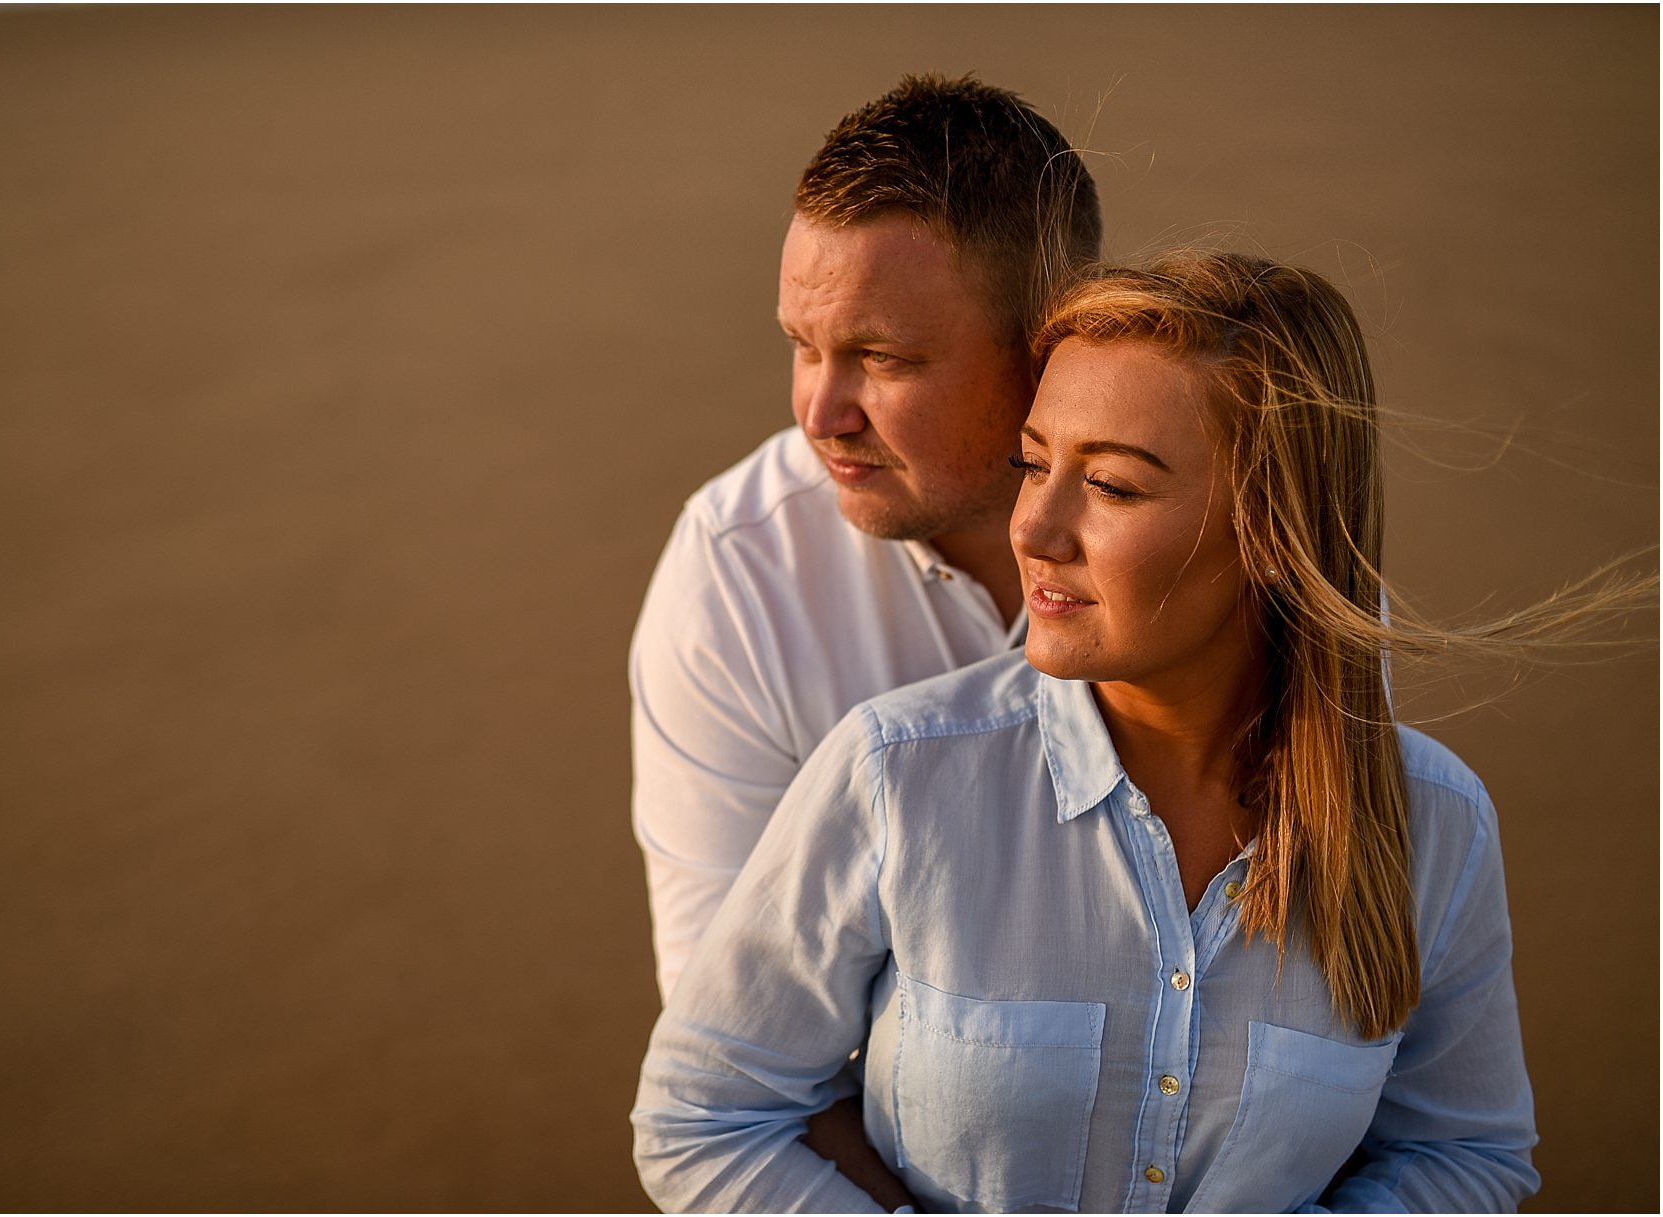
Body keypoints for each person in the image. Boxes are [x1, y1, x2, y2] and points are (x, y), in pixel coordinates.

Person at [631, 252, 1545, 1212]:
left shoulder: (1434, 824)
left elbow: (1465, 1151)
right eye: (1034, 465)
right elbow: (704, 1115)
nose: (1034, 528)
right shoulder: (895, 776)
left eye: (1111, 485)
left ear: (1275, 530)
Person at [631, 73, 1100, 999]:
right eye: (804, 346)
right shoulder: (740, 570)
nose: (819, 412)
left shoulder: (1236, 534)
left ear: (1047, 341)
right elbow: (726, 1035)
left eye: (880, 358)